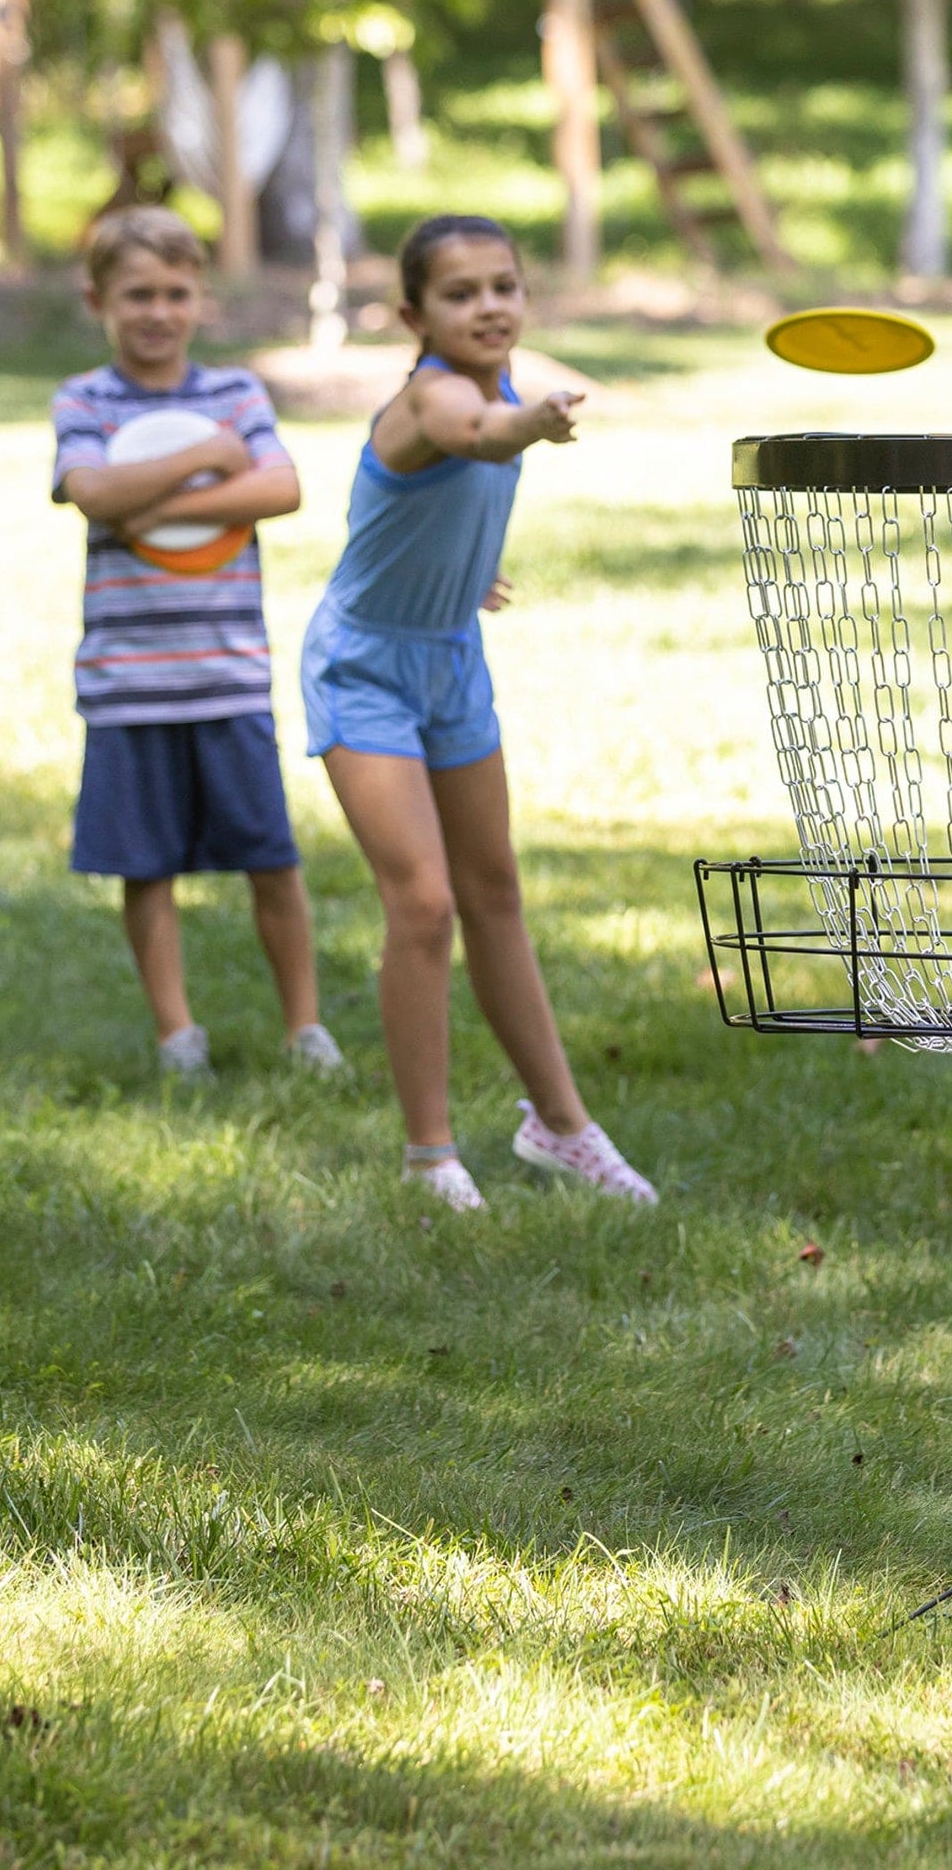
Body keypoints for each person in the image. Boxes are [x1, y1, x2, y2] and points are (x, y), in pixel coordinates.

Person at [301, 213, 655, 1212]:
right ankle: (428, 1157)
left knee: (494, 890)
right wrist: (534, 420)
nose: (488, 305)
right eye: (461, 293)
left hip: (450, 656)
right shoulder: (437, 395)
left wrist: (463, 570)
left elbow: (432, 502)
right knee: (422, 901)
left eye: (503, 286)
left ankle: (560, 1126)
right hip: (364, 668)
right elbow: (472, 436)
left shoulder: (494, 383)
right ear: (414, 315)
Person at [53, 206, 344, 1078]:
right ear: (97, 298)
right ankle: (177, 1032)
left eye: (177, 293)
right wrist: (209, 460)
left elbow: (282, 487)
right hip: (127, 681)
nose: (158, 312)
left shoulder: (236, 396)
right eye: (137, 294)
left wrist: (157, 502)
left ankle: (304, 1027)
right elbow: (92, 490)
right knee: (145, 864)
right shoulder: (84, 399)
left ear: (201, 300)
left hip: (227, 674)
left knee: (270, 855)